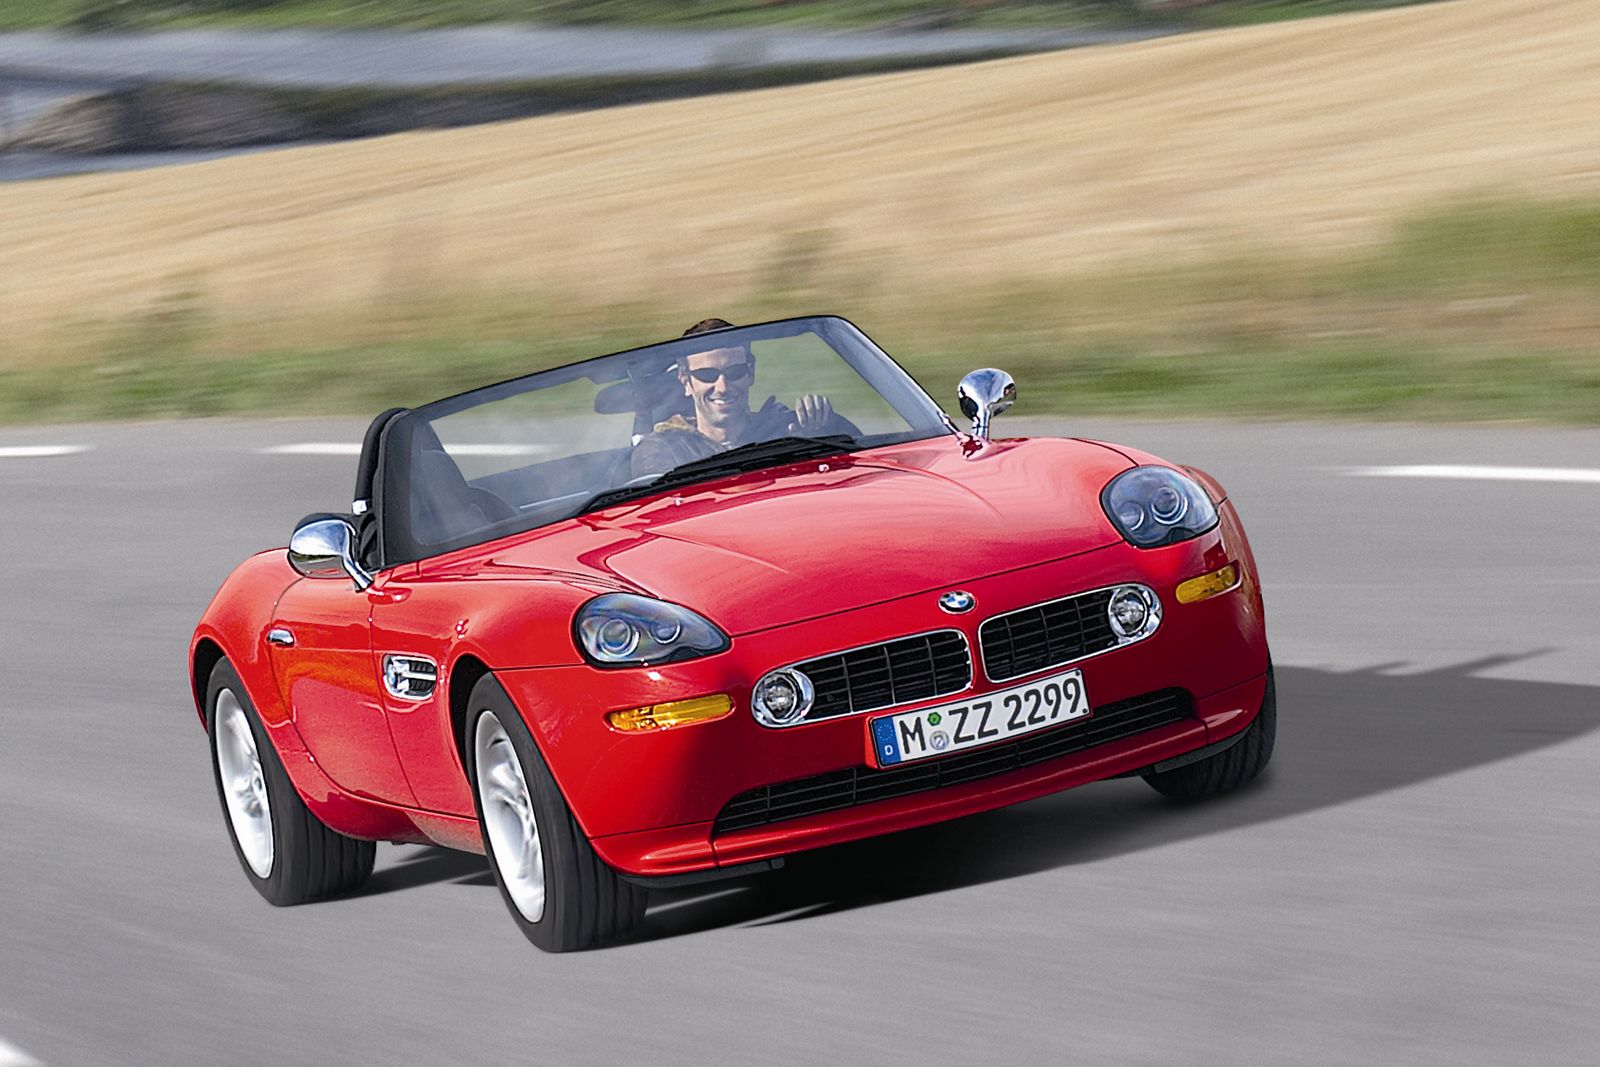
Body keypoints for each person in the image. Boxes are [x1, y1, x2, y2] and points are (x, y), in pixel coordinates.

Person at [630, 318, 851, 478]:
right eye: (707, 375)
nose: (722, 387)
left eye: (735, 372)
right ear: (685, 381)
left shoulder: (788, 428)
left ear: (751, 372)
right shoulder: (660, 449)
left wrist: (822, 432)